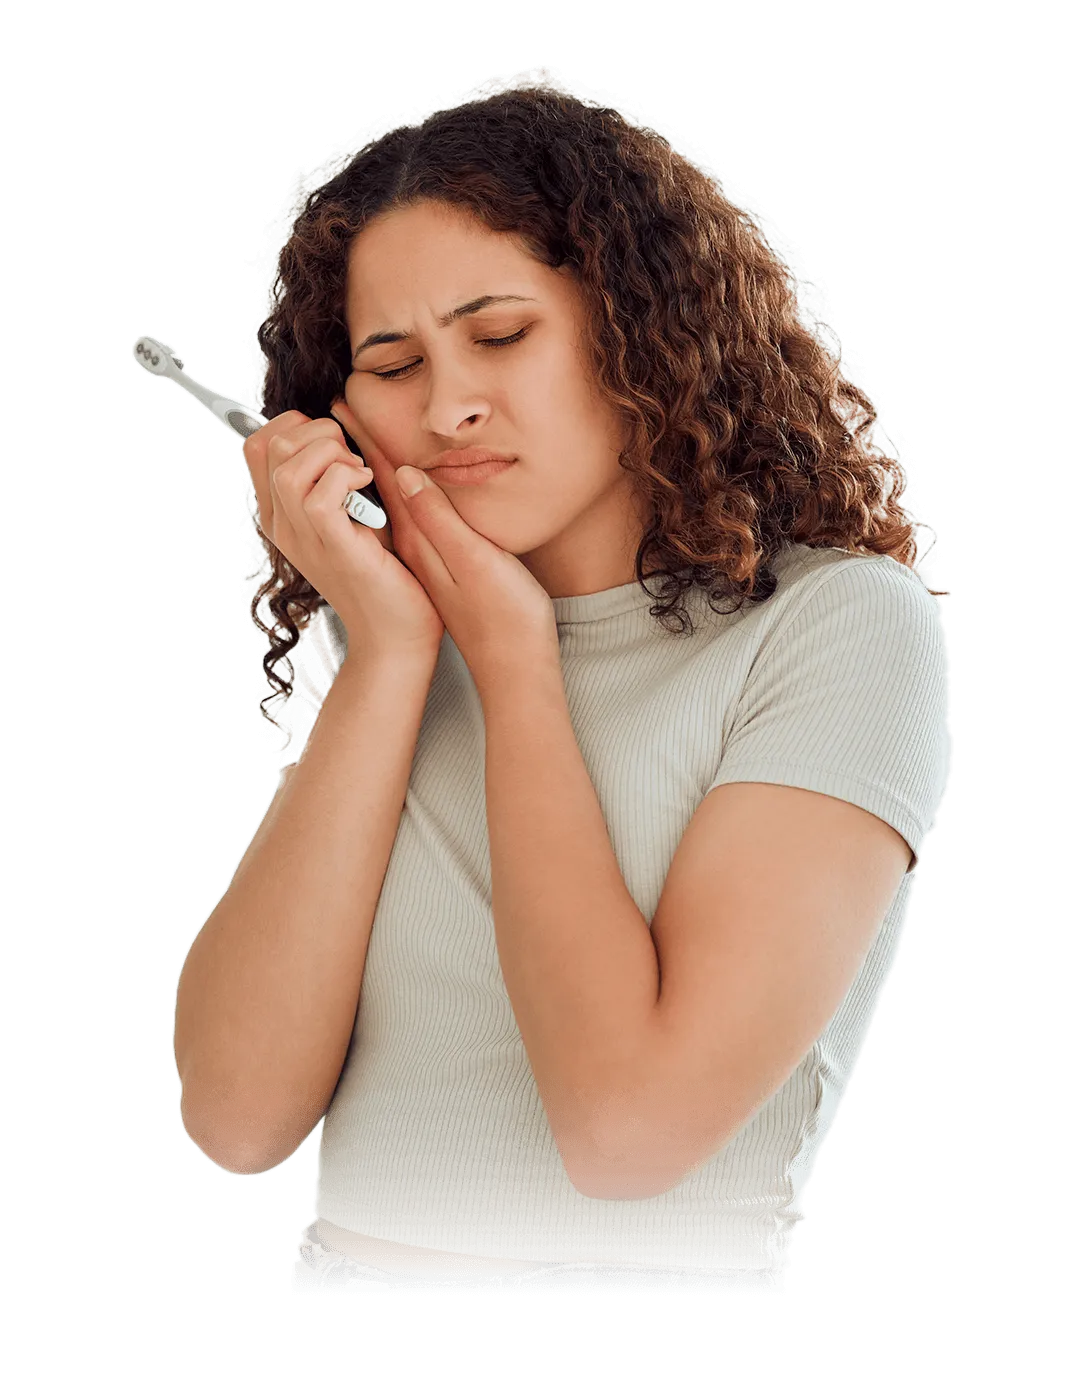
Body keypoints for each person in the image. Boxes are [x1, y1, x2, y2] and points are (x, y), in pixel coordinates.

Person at [173, 70, 952, 1293]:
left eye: (499, 335)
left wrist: (515, 664)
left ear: (640, 327)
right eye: (393, 362)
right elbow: (235, 1114)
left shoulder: (837, 627)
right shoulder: (385, 635)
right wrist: (391, 656)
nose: (450, 406)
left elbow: (627, 1128)